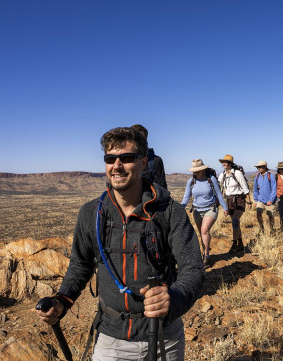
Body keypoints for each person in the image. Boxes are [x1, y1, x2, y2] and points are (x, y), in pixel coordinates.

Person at [36, 127, 204, 361]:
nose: (117, 165)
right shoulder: (91, 214)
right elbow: (80, 266)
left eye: (126, 158)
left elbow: (193, 269)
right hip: (112, 338)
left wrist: (174, 298)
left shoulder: (169, 212)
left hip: (165, 336)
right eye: (110, 159)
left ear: (144, 163)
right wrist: (62, 300)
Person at [181, 159, 228, 267]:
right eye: (195, 170)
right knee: (202, 234)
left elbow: (219, 194)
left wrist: (225, 208)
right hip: (197, 210)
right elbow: (186, 196)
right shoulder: (191, 181)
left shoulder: (211, 179)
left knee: (204, 230)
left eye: (198, 170)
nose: (196, 172)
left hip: (211, 209)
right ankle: (205, 252)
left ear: (203, 169)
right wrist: (181, 208)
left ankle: (206, 256)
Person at [218, 154, 250, 254]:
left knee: (235, 221)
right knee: (235, 222)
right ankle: (240, 243)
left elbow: (245, 188)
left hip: (239, 199)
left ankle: (234, 244)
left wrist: (248, 201)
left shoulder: (237, 173)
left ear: (230, 163)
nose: (224, 163)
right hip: (229, 200)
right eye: (223, 162)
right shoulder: (222, 174)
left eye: (226, 162)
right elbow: (218, 187)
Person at [131, 124, 167, 189]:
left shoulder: (156, 161)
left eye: (141, 138)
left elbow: (163, 189)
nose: (138, 141)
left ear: (146, 139)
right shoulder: (124, 160)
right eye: (135, 138)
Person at [253, 161, 277, 235]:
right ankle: (262, 228)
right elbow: (255, 189)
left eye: (260, 167)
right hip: (260, 200)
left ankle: (272, 229)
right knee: (258, 214)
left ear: (265, 167)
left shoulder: (271, 176)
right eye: (258, 167)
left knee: (270, 215)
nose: (259, 168)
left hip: (270, 200)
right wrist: (256, 200)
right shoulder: (257, 177)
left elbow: (274, 189)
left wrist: (271, 200)